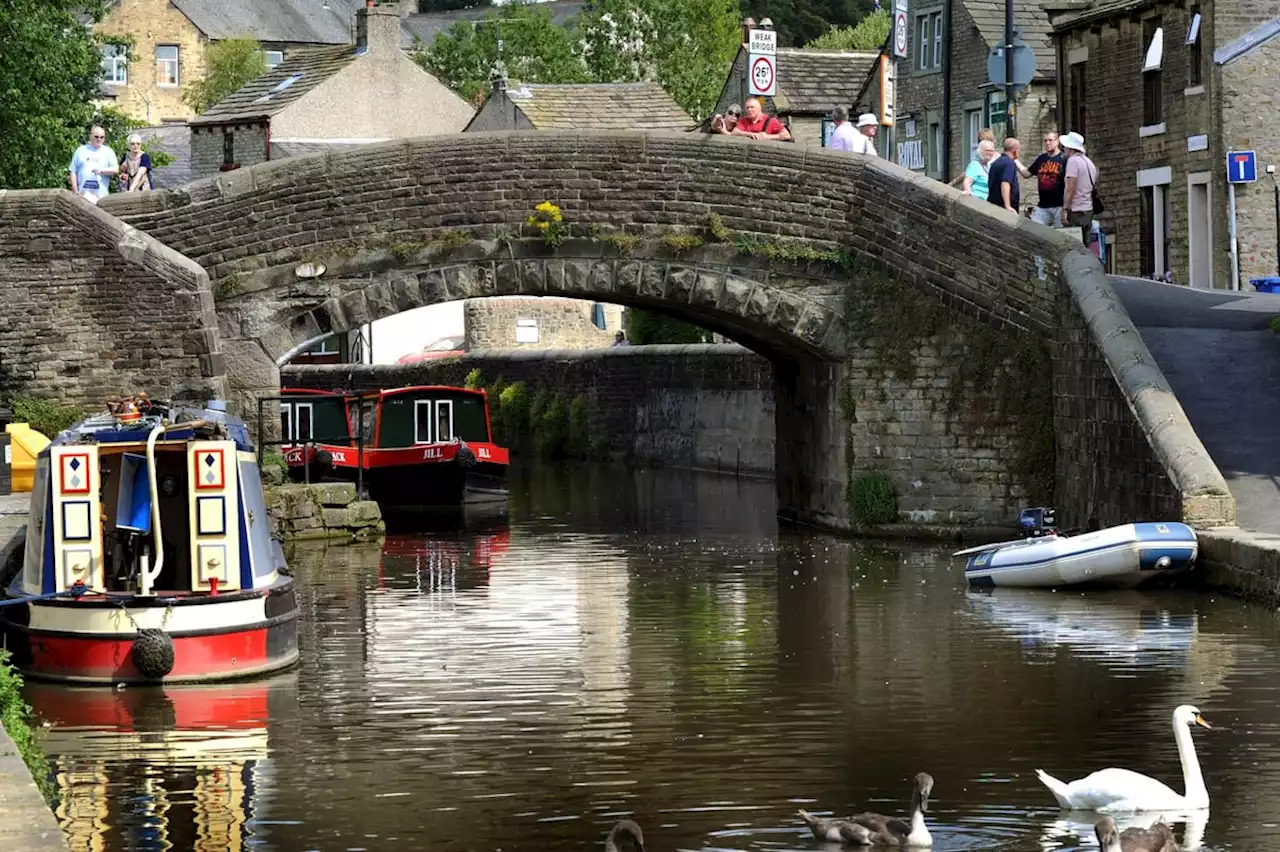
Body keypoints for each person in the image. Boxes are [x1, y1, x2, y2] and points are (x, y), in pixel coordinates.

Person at [1018, 131, 1067, 227]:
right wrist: (1014, 160)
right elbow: (1027, 173)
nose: (1048, 143)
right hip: (1043, 205)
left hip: (1060, 205)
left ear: (1057, 142)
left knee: (1061, 234)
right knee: (1035, 230)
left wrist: (1066, 207)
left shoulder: (1064, 158)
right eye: (1045, 141)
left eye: (1050, 140)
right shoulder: (1041, 159)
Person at [1060, 131, 1099, 245]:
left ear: (1070, 148)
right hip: (1088, 210)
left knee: (1073, 246)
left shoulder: (1073, 161)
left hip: (1076, 211)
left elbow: (1071, 187)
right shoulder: (1089, 162)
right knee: (1085, 245)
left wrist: (1065, 209)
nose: (1064, 149)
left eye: (1065, 147)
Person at [67, 125, 119, 204]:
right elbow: (73, 171)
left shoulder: (108, 152)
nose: (99, 139)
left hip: (101, 197)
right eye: (96, 137)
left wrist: (101, 171)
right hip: (82, 195)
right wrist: (75, 191)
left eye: (102, 137)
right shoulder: (81, 150)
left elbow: (115, 169)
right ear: (90, 136)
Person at [986, 137, 1022, 214]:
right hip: (1003, 209)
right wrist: (1008, 206)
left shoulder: (995, 163)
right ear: (1014, 150)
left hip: (993, 206)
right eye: (1019, 149)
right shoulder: (1009, 163)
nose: (1019, 152)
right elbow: (1005, 183)